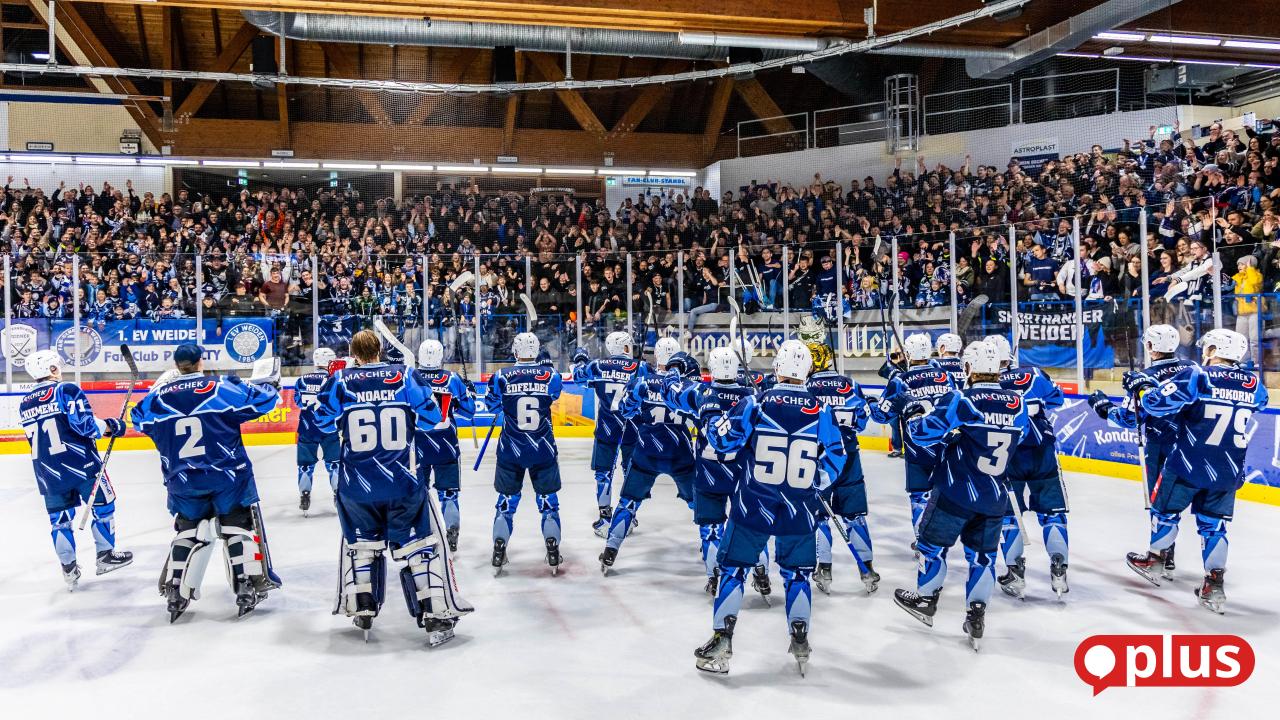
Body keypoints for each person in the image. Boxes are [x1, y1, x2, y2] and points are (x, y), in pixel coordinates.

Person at [693, 340, 847, 676]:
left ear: (777, 367)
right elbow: (838, 455)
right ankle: (800, 636)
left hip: (753, 505)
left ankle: (722, 638)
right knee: (798, 574)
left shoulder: (756, 402)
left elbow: (722, 442)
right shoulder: (820, 410)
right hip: (800, 509)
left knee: (734, 568)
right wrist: (814, 482)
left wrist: (712, 418)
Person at [315, 330, 471, 643]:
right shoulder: (405, 376)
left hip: (356, 482)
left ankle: (363, 608)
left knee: (362, 548)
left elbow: (320, 421)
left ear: (354, 353)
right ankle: (435, 616)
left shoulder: (340, 381)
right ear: (381, 351)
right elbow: (431, 420)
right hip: (402, 479)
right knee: (418, 547)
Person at [893, 340, 1030, 650]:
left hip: (955, 491)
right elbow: (1016, 438)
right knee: (982, 558)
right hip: (995, 496)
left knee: (931, 547)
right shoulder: (1018, 404)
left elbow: (922, 433)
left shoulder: (961, 399)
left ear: (968, 368)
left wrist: (913, 412)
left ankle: (927, 600)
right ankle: (977, 614)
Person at [131, 344, 282, 622]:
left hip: (182, 480)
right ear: (201, 362)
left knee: (188, 529)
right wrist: (269, 384)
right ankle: (246, 586)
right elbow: (266, 402)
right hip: (227, 476)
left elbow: (138, 420)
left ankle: (175, 589)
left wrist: (156, 392)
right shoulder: (220, 387)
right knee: (236, 525)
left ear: (177, 365)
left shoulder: (156, 399)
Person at [1122, 329, 1267, 614]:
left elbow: (1155, 403)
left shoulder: (1198, 375)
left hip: (1187, 463)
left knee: (1164, 512)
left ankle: (1156, 560)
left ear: (1214, 350)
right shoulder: (1254, 384)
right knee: (1214, 527)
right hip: (1227, 470)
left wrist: (1140, 387)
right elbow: (1259, 403)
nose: (1204, 352)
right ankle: (1214, 586)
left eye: (1208, 347)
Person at [19, 349, 132, 590]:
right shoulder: (65, 389)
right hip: (82, 466)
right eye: (57, 365)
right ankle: (105, 556)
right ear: (51, 369)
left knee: (59, 521)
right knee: (104, 506)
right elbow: (86, 426)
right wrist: (113, 425)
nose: (60, 368)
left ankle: (68, 569)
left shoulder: (25, 402)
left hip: (47, 472)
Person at [1089, 324, 1193, 578]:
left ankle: (1162, 556)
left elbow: (1128, 418)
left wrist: (1102, 407)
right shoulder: (1192, 370)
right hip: (1191, 445)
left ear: (1149, 347)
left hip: (1161, 445)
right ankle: (1168, 554)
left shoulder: (1146, 377)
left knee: (1160, 502)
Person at [600, 337, 698, 575]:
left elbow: (626, 410)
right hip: (680, 451)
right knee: (700, 505)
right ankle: (715, 560)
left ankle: (611, 548)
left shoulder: (642, 381)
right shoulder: (687, 385)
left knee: (628, 502)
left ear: (656, 356)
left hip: (647, 449)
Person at [662, 345, 756, 595]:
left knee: (711, 529)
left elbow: (669, 394)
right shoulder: (752, 397)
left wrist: (672, 371)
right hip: (742, 476)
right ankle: (761, 570)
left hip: (708, 475)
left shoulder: (700, 392)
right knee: (749, 527)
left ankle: (714, 576)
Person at [985, 334, 1069, 599]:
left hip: (1007, 455)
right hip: (1042, 452)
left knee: (1010, 516)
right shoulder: (1033, 373)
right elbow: (1057, 400)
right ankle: (1059, 566)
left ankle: (1015, 572)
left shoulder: (985, 386)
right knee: (1053, 513)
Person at [485, 331, 564, 575]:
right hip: (543, 449)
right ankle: (553, 549)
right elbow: (553, 395)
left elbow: (492, 406)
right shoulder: (550, 375)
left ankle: (499, 548)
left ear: (515, 352)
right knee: (548, 503)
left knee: (506, 503)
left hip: (511, 449)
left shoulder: (501, 376)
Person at [869, 332, 958, 545]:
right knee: (946, 492)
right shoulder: (945, 375)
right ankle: (946, 535)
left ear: (908, 354)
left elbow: (882, 415)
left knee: (920, 496)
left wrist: (871, 403)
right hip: (946, 444)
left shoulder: (901, 380)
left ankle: (923, 541)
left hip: (918, 447)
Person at [805, 341, 876, 594]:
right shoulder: (849, 384)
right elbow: (862, 421)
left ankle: (824, 567)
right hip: (849, 457)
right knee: (854, 515)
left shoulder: (806, 387)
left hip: (820, 460)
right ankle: (867, 568)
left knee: (820, 516)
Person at [571, 331, 642, 536]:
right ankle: (629, 515)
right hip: (632, 428)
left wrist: (581, 357)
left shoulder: (597, 366)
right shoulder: (640, 368)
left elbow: (578, 377)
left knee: (603, 474)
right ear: (626, 348)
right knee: (631, 472)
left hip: (606, 427)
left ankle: (604, 518)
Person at [416, 338, 477, 552]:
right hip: (446, 446)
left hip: (418, 447)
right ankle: (451, 531)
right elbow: (469, 412)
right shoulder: (452, 379)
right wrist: (468, 393)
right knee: (449, 494)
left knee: (418, 493)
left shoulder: (411, 378)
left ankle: (421, 535)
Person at [294, 347, 340, 514]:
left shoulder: (301, 380)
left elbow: (298, 402)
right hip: (329, 427)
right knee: (334, 464)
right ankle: (337, 494)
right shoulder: (334, 379)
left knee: (305, 466)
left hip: (307, 428)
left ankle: (304, 495)